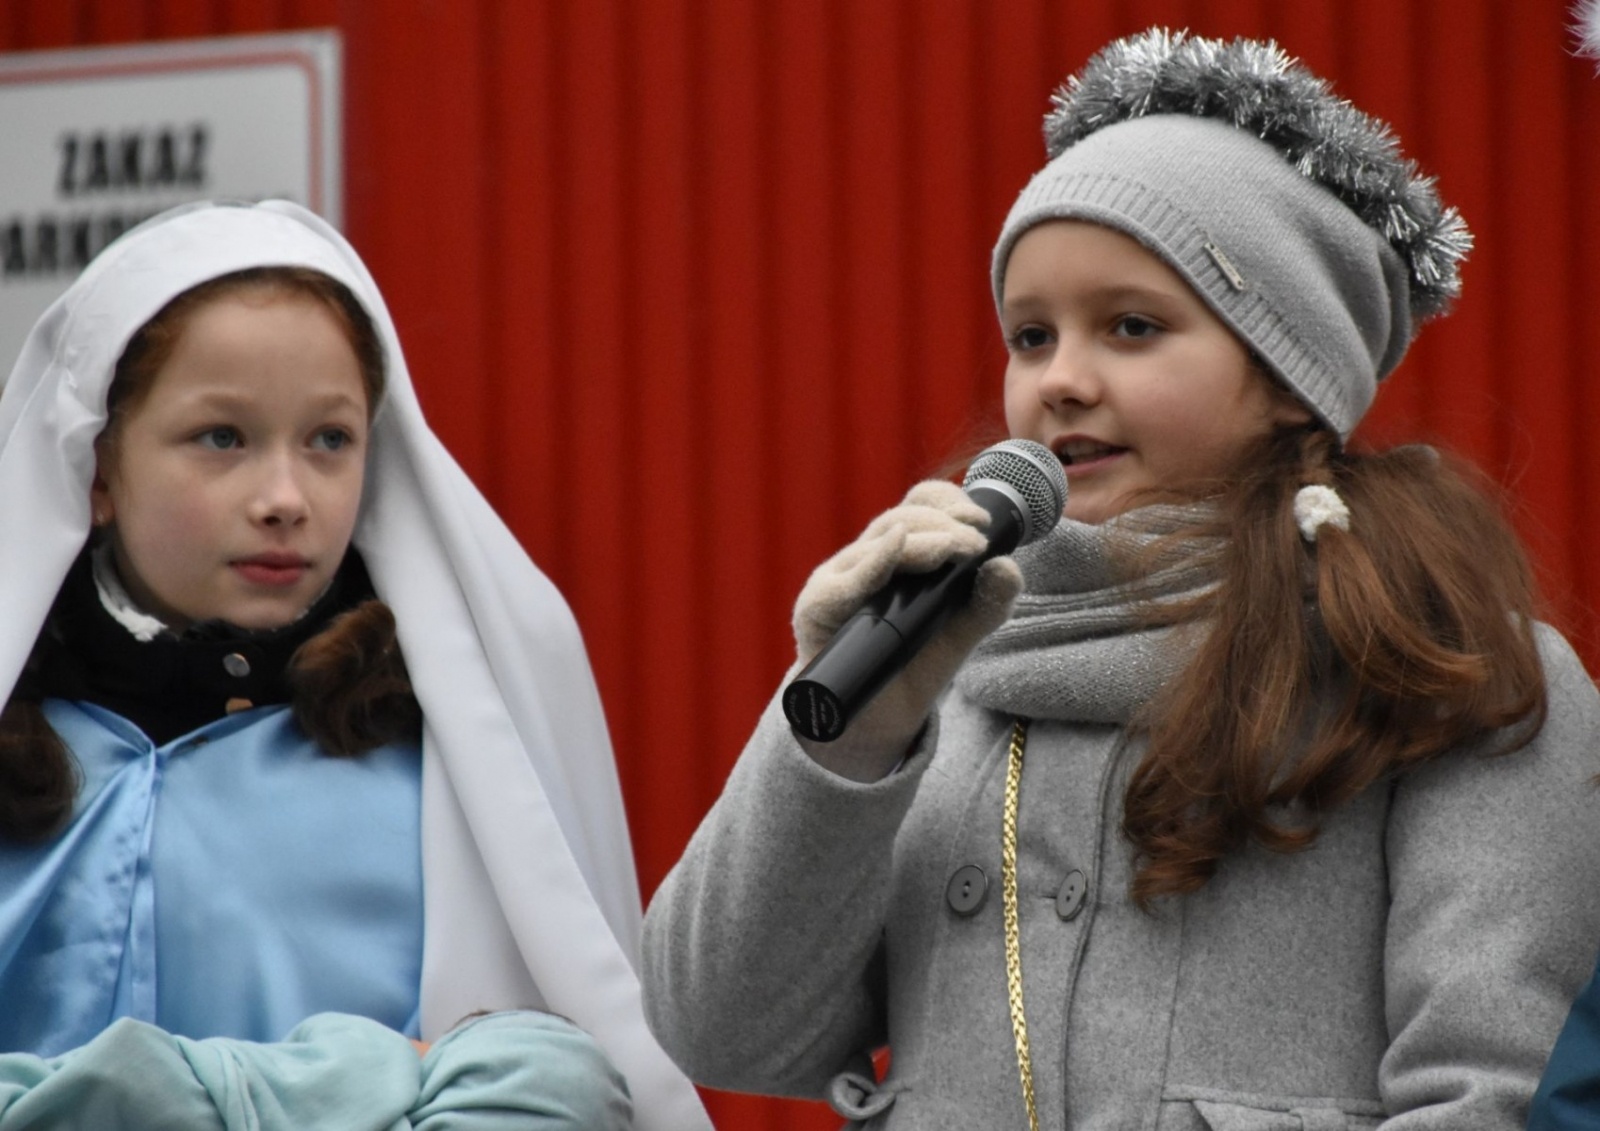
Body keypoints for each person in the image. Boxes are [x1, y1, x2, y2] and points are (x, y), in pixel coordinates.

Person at [640, 29, 1600, 1130]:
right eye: (1029, 335)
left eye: (1131, 327)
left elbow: (1492, 1095)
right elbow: (723, 1029)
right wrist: (845, 733)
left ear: (1291, 374)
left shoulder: (1450, 671)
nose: (1060, 380)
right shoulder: (943, 664)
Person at [0, 199, 710, 1130]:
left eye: (329, 439)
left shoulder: (451, 768)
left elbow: (559, 1087)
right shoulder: (21, 741)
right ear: (96, 468)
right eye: (223, 437)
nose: (285, 496)